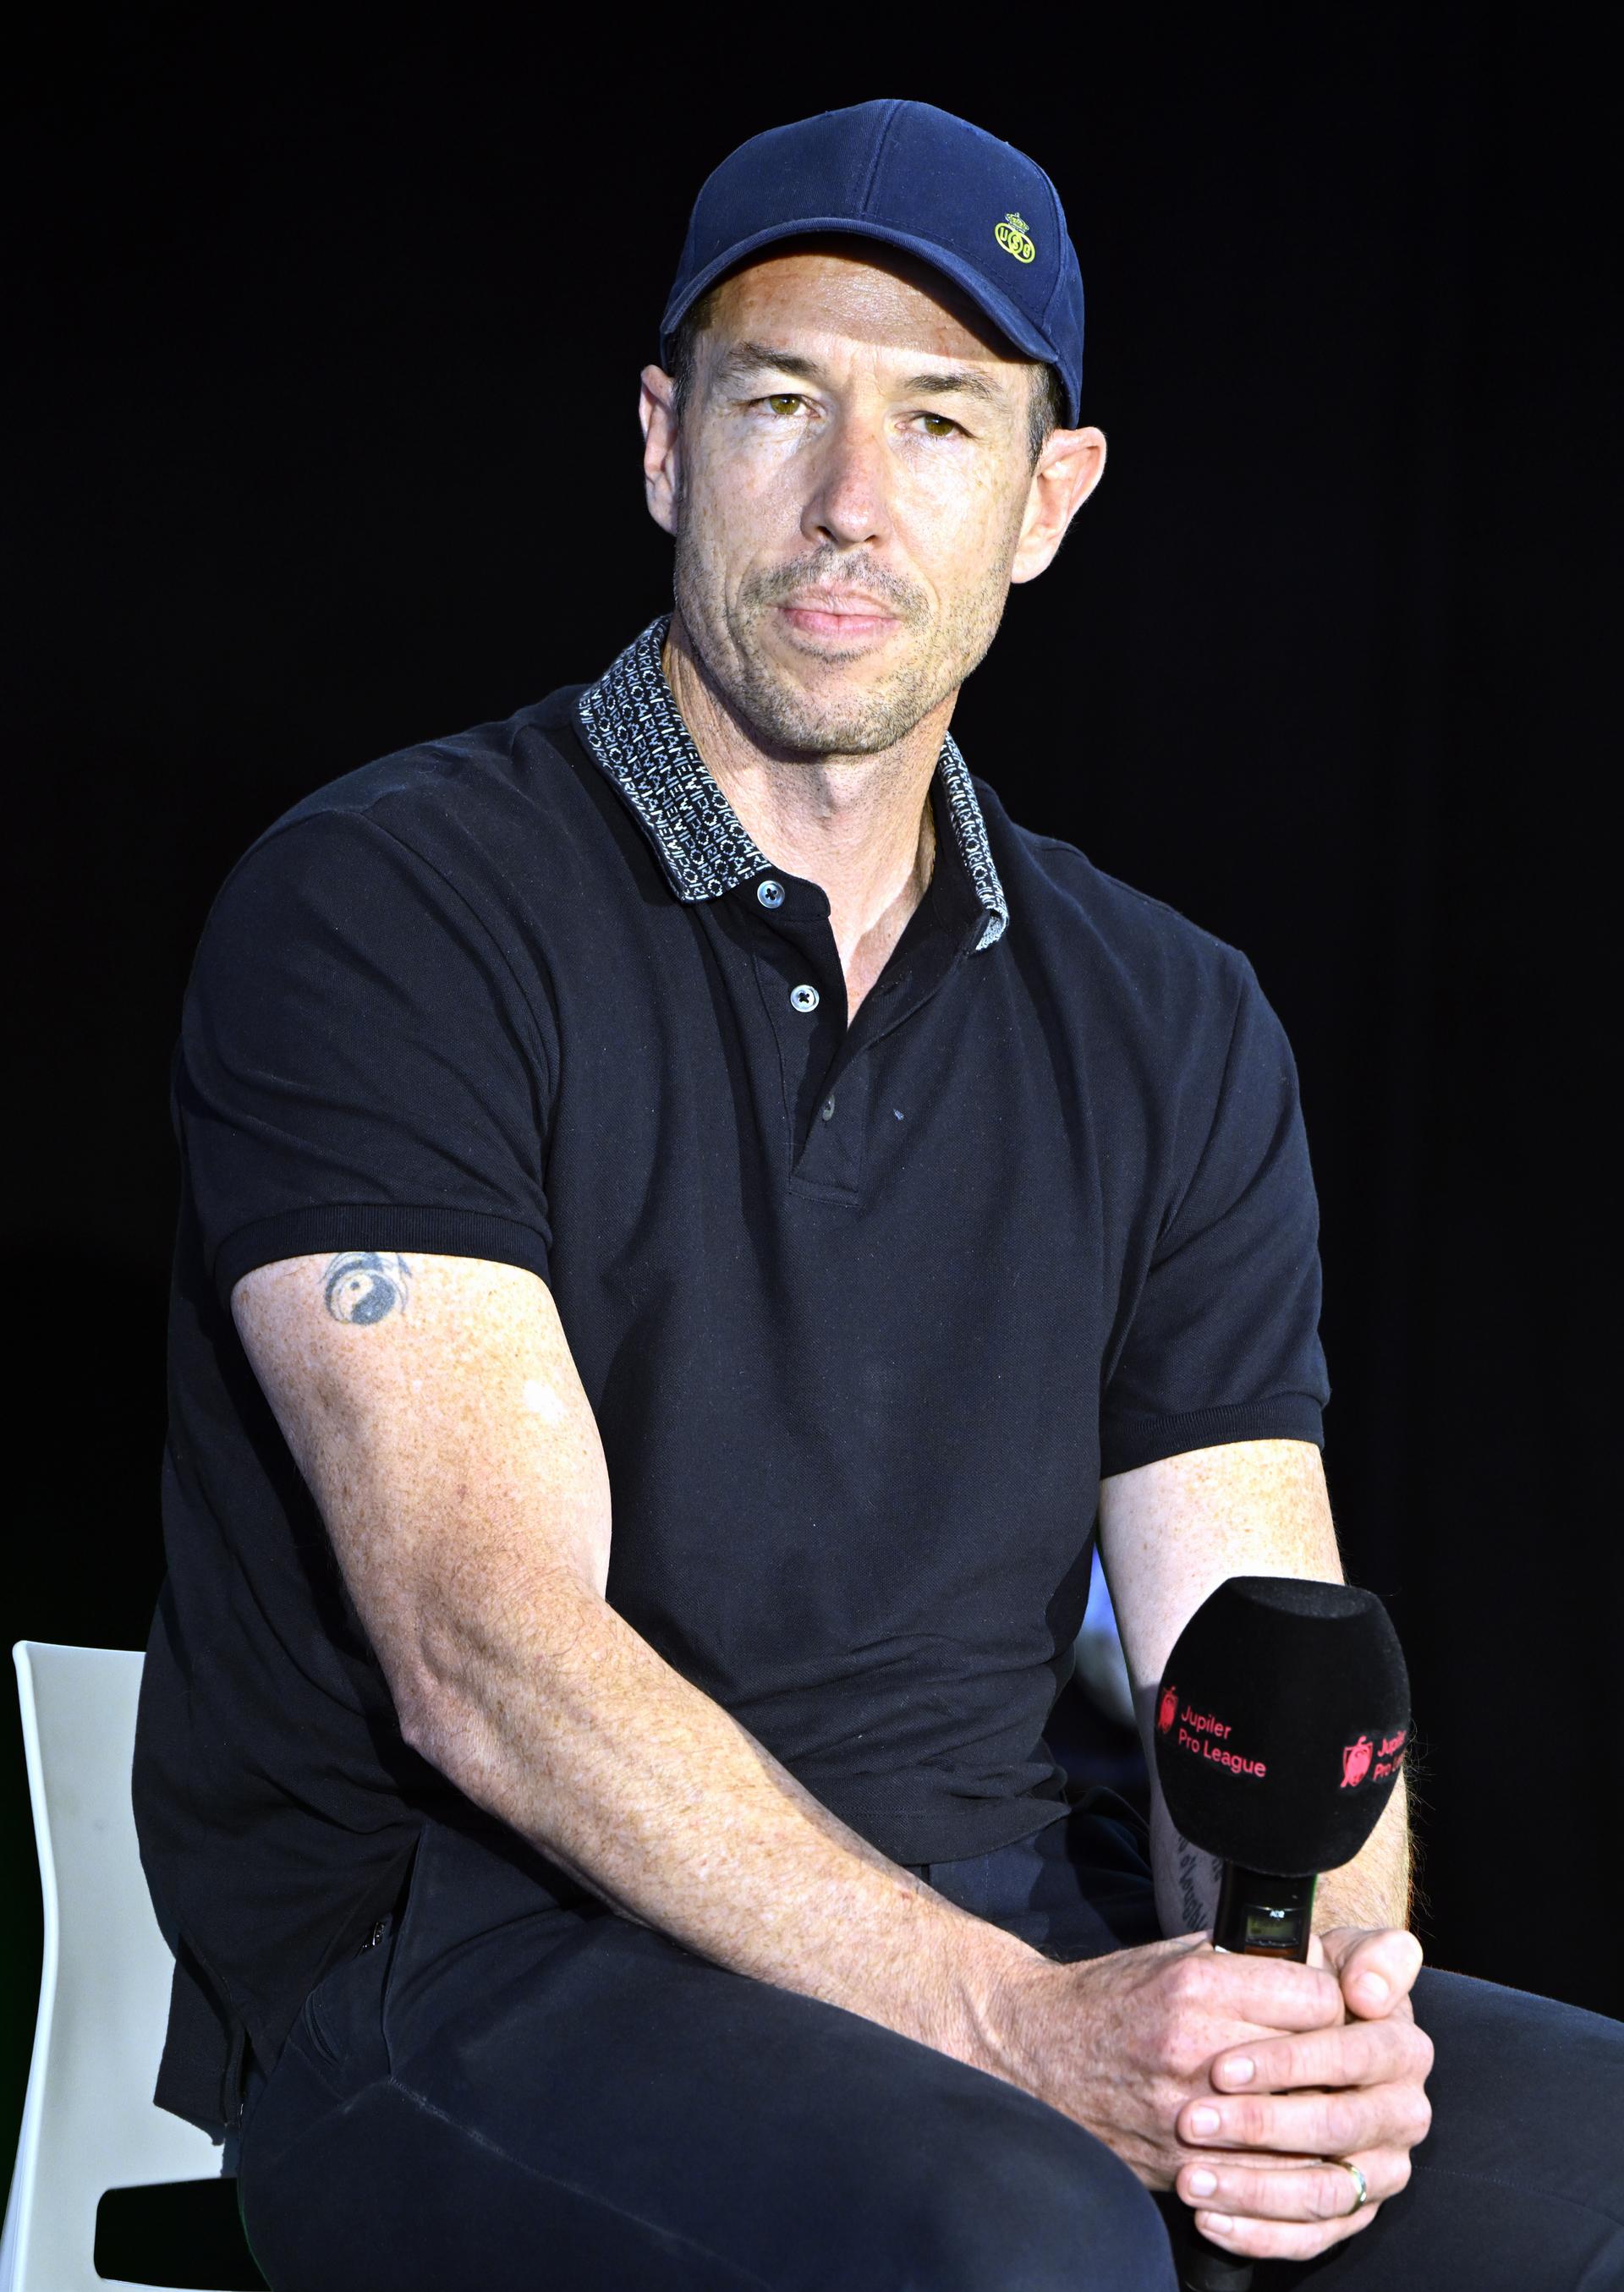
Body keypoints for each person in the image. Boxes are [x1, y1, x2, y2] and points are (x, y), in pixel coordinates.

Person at [132, 99, 1623, 2290]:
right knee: (1010, 2239)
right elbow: (485, 1655)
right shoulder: (391, 910)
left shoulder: (1169, 1020)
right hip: (472, 1968)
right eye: (779, 402)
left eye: (940, 421)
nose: (850, 501)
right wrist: (1020, 2033)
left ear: (1049, 499)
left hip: (1015, 1925)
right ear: (664, 444)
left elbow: (1263, 1657)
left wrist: (1311, 2034)